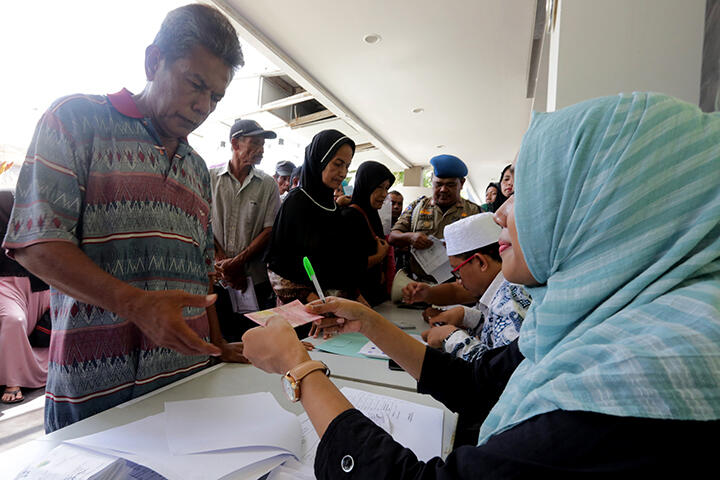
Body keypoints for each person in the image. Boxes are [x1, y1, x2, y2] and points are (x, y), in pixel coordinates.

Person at [242, 92, 720, 477]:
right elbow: (477, 383)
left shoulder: (633, 384)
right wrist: (367, 320)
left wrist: (298, 369)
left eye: (529, 193)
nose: (501, 215)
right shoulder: (594, 327)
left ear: (603, 212)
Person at [2, 4, 247, 432]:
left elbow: (201, 274)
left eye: (216, 97)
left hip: (185, 385)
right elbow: (36, 244)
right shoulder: (75, 120)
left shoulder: (196, 169)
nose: (203, 106)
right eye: (196, 84)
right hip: (95, 396)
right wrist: (137, 304)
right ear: (154, 61)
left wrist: (217, 342)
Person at [265, 129, 366, 310]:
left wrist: (355, 295)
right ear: (319, 160)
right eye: (337, 164)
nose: (343, 173)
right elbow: (278, 265)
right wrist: (313, 301)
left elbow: (338, 263)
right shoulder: (297, 203)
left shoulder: (333, 207)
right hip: (303, 310)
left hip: (332, 309)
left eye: (347, 166)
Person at [419, 213, 532, 362]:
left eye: (457, 271)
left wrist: (450, 337)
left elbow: (498, 370)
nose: (458, 281)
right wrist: (467, 316)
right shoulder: (508, 288)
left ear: (480, 262)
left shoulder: (510, 302)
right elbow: (497, 330)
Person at [210, 119, 280, 341]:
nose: (260, 150)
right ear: (235, 143)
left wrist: (238, 262)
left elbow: (269, 230)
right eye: (254, 143)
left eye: (262, 145)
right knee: (218, 342)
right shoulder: (210, 178)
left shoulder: (268, 185)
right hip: (216, 279)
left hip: (251, 282)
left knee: (251, 342)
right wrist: (223, 263)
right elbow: (200, 220)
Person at [389, 154, 480, 282]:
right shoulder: (417, 207)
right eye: (438, 184)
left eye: (450, 185)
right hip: (416, 286)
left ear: (462, 183)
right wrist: (410, 237)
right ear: (432, 181)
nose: (443, 189)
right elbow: (393, 236)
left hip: (457, 288)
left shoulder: (474, 212)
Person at [0, 190, 50, 404]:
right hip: (6, 283)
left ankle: (59, 364)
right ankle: (14, 381)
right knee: (14, 320)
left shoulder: (36, 204)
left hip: (42, 281)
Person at [342, 161, 395, 306]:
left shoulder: (371, 214)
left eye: (386, 188)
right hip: (357, 300)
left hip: (375, 297)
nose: (384, 194)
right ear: (365, 185)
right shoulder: (350, 217)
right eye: (378, 187)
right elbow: (346, 266)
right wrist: (379, 257)